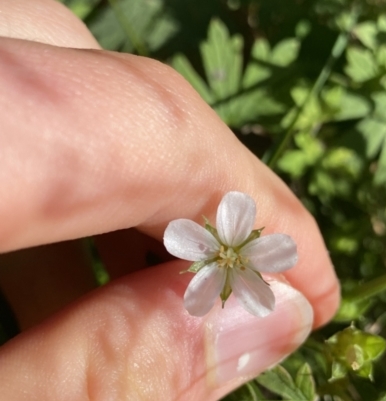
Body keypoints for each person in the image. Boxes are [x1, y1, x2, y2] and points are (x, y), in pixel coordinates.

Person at [0, 0, 340, 399]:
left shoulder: (240, 267)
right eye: (229, 258)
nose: (228, 258)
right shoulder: (220, 246)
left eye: (231, 259)